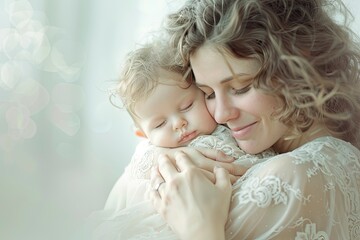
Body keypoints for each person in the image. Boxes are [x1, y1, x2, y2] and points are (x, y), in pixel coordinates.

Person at [148, 0, 360, 239]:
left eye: (241, 88)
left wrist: (200, 230)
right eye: (208, 94)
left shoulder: (296, 175)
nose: (220, 114)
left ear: (297, 64)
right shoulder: (279, 151)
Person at [89, 40, 275, 239]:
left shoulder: (235, 127)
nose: (179, 124)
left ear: (204, 93)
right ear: (143, 135)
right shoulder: (149, 160)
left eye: (187, 106)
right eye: (160, 124)